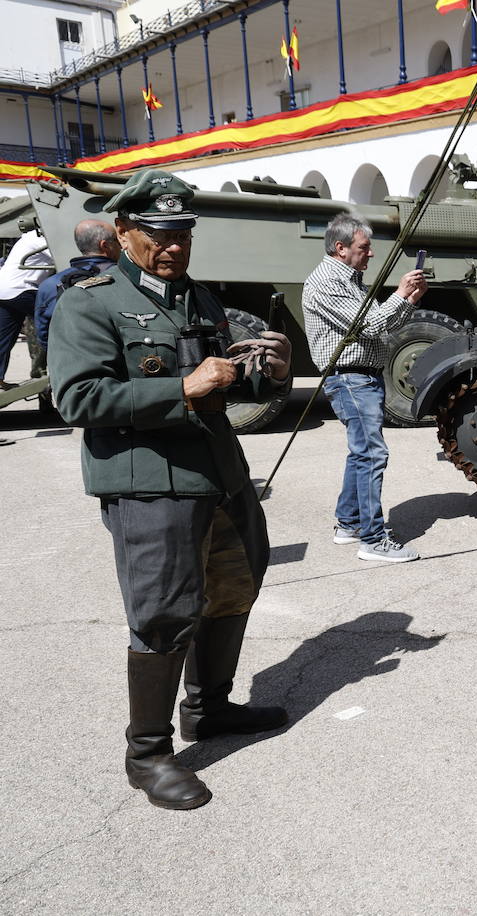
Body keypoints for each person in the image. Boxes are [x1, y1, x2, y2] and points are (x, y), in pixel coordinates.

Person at [47, 169, 293, 811]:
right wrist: (180, 389)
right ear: (125, 232)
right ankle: (149, 754)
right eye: (160, 233)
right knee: (163, 612)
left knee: (235, 587)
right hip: (149, 482)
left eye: (184, 232)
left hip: (219, 474)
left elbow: (224, 381)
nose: (175, 245)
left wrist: (266, 376)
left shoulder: (198, 298)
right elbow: (77, 398)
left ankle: (208, 710)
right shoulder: (90, 301)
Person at [301, 212, 428, 563]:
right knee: (373, 453)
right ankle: (372, 539)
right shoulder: (327, 280)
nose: (370, 253)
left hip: (361, 376)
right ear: (340, 248)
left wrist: (409, 301)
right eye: (364, 247)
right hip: (350, 377)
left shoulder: (349, 278)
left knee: (361, 453)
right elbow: (369, 325)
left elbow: (378, 329)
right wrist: (400, 294)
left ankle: (349, 523)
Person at [34, 219, 120, 356]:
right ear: (105, 246)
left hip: (68, 361)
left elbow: (43, 333)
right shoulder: (123, 277)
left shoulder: (48, 284)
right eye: (117, 240)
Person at [0, 228, 54, 386]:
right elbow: (64, 256)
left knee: (3, 338)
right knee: (58, 319)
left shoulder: (27, 238)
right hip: (22, 290)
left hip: (4, 291)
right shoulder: (39, 239)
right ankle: (43, 371)